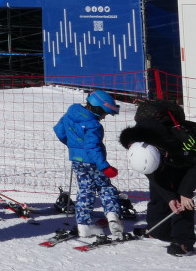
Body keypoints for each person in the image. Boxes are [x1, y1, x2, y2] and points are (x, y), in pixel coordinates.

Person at [120, 100, 196, 255]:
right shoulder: (137, 146)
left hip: (188, 160)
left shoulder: (180, 142)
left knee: (181, 195)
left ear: (162, 154)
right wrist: (168, 197)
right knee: (160, 189)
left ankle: (183, 240)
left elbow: (194, 166)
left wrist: (185, 192)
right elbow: (152, 174)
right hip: (161, 156)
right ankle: (156, 229)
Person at [53, 90, 124, 239]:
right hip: (93, 163)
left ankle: (84, 225)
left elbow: (59, 131)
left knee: (86, 190)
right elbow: (93, 148)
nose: (104, 117)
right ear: (98, 109)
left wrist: (74, 147)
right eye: (104, 113)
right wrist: (104, 166)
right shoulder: (93, 125)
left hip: (77, 161)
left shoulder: (70, 114)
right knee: (105, 187)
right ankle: (112, 216)